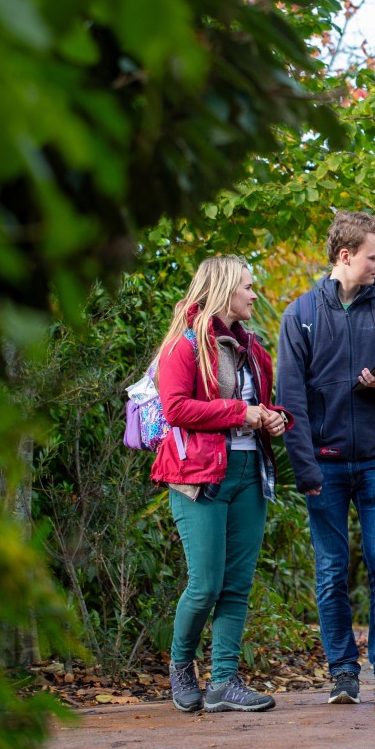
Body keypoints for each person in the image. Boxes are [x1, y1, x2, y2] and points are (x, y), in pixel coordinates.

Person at [277, 211, 375, 705]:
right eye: (374, 257)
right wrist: (305, 468)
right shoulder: (299, 315)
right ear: (346, 256)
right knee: (331, 568)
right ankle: (342, 672)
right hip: (325, 462)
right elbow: (290, 400)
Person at [153, 256, 290, 713]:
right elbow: (175, 408)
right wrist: (240, 414)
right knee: (205, 584)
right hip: (199, 478)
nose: (255, 295)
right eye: (248, 287)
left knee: (236, 585)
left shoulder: (252, 348)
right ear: (226, 290)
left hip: (251, 475)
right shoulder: (185, 345)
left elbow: (262, 405)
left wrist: (273, 418)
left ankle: (224, 682)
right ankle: (180, 666)